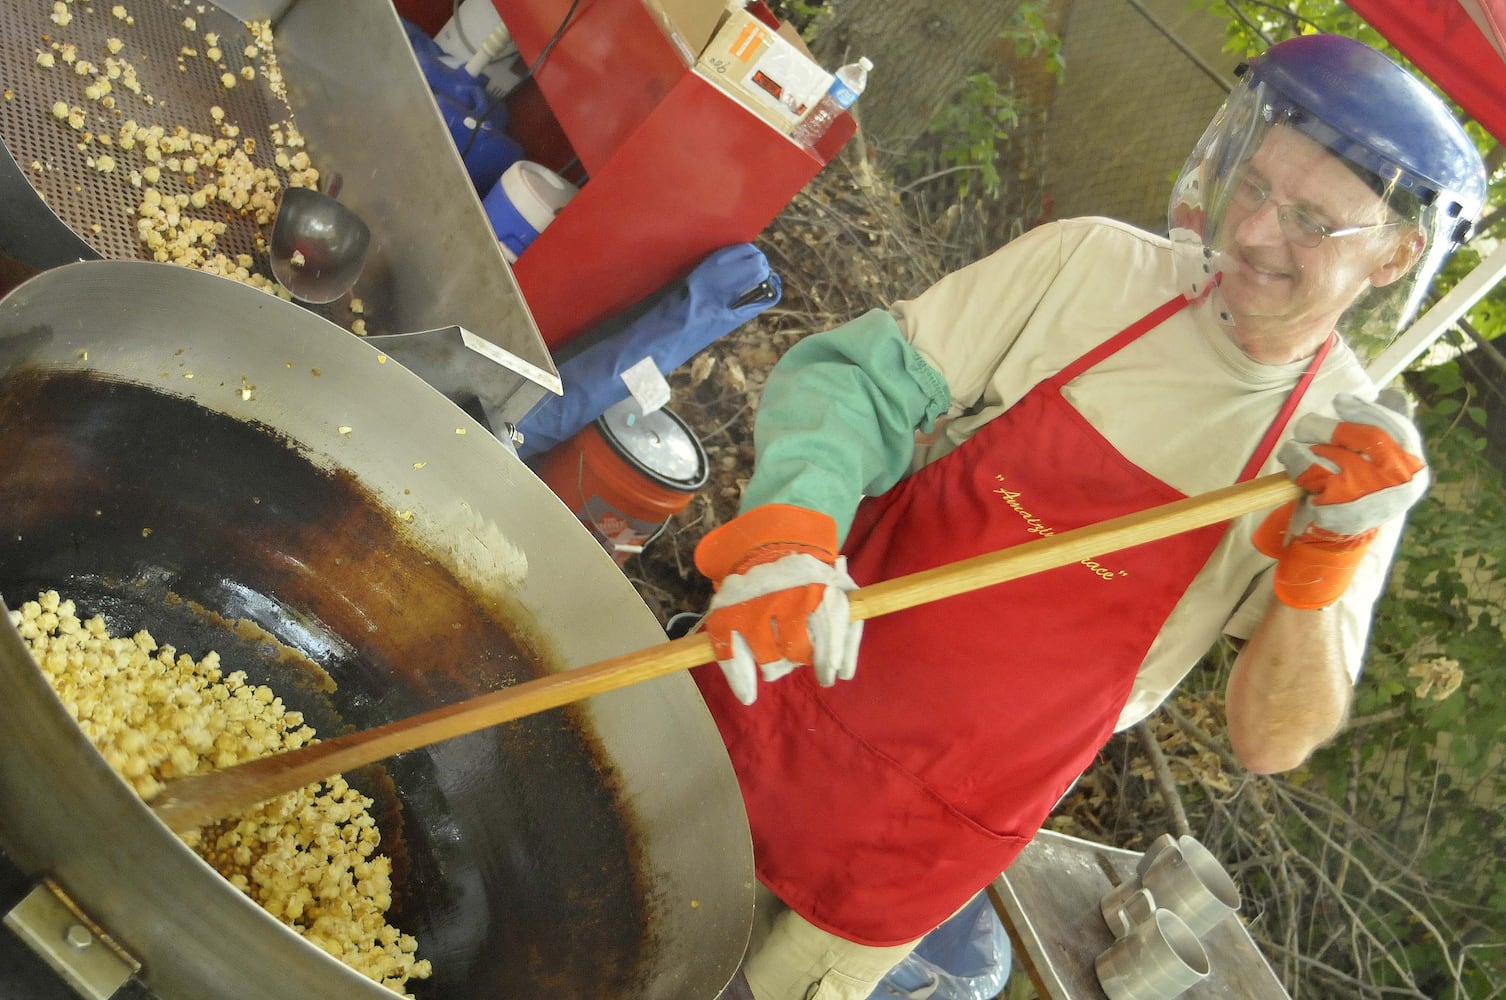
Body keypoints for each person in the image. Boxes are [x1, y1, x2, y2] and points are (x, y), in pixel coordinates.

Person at [691, 34, 1488, 1000]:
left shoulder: (1348, 464)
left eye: (1313, 222)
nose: (1255, 234)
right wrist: (787, 537)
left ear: (1397, 257)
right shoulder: (1091, 269)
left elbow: (1272, 739)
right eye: (1254, 186)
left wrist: (1324, 561)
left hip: (914, 844)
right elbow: (856, 385)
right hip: (770, 686)